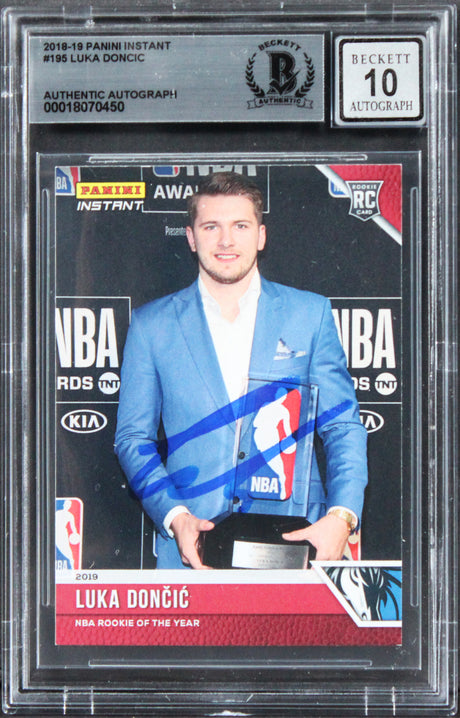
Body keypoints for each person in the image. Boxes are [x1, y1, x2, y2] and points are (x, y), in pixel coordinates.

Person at [115, 171, 367, 569]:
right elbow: (133, 439)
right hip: (193, 549)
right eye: (211, 227)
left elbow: (342, 425)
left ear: (261, 236)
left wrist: (342, 517)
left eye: (240, 226)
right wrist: (175, 517)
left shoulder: (309, 314)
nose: (226, 240)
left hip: (297, 544)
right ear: (191, 237)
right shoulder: (152, 326)